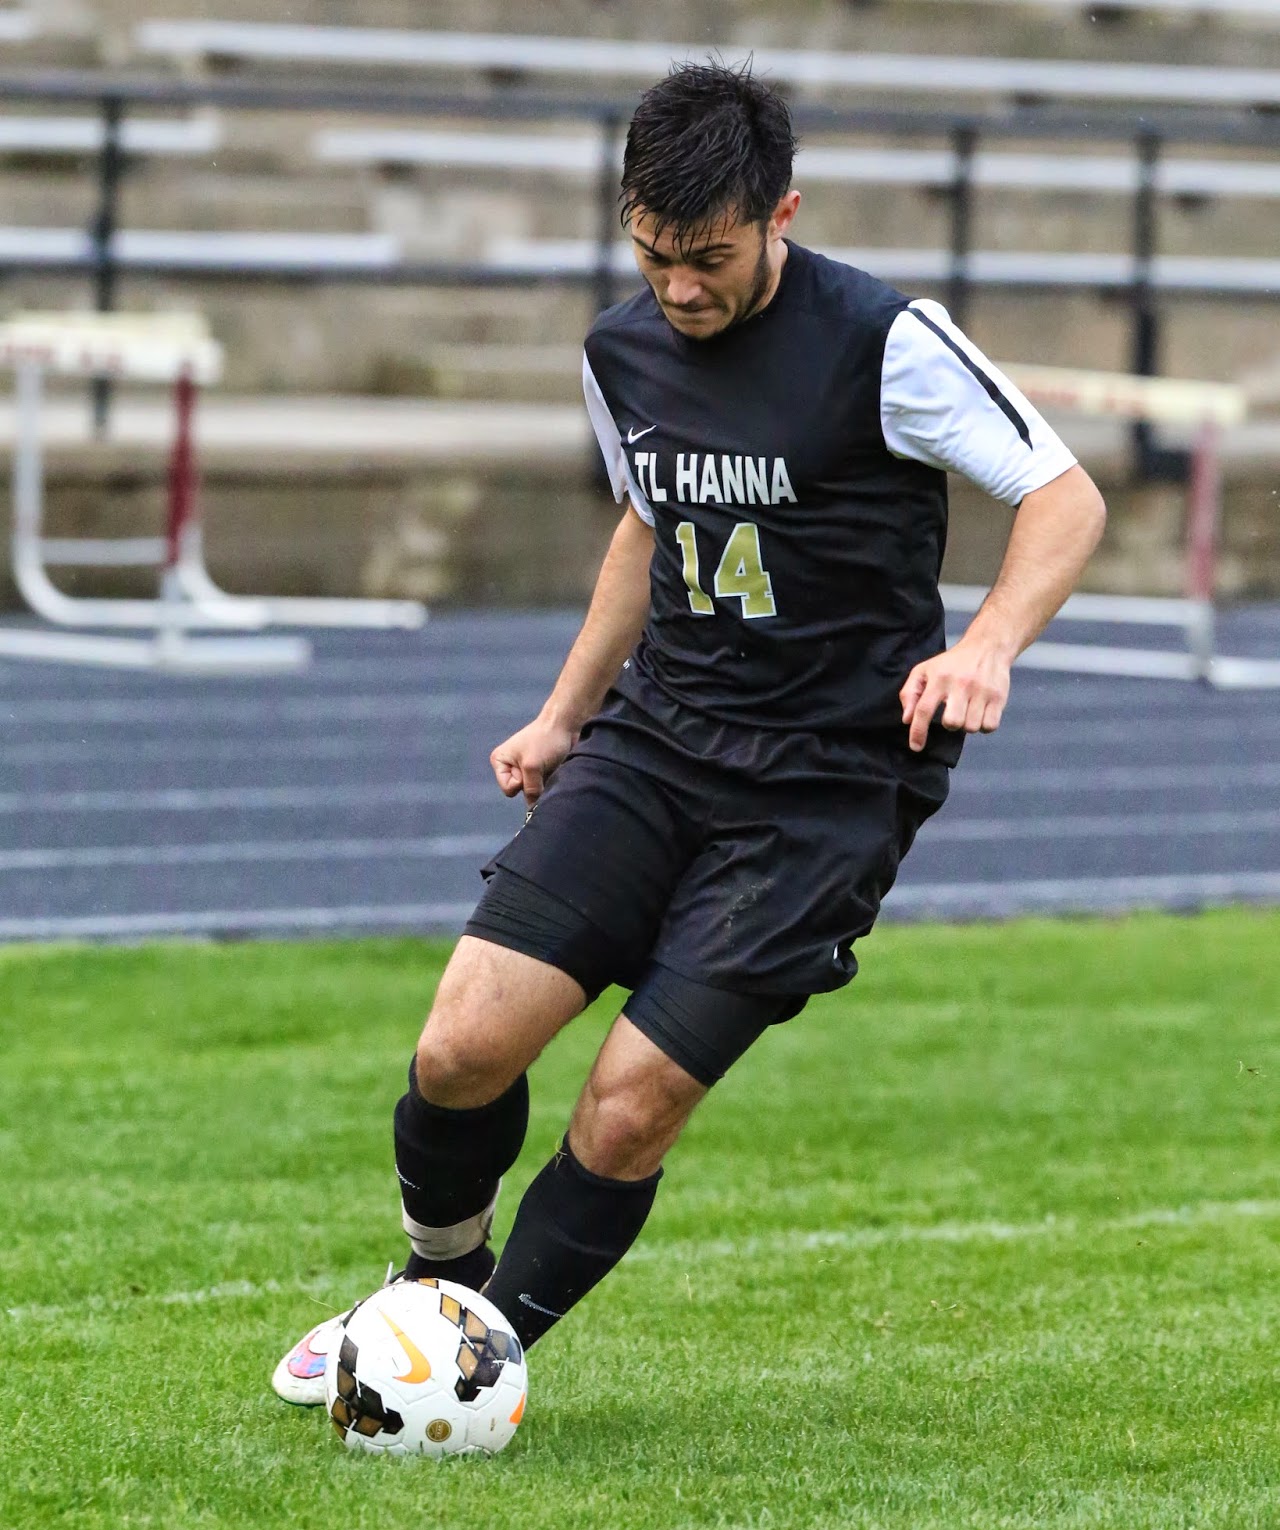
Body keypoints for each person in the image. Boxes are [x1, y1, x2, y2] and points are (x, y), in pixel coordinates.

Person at [272, 59, 1105, 1403]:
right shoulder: (619, 351)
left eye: (708, 258)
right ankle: (427, 1293)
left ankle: (467, 1367)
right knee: (460, 1047)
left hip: (822, 791)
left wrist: (986, 643)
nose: (678, 288)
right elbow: (648, 526)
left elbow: (1064, 497)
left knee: (628, 1105)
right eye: (653, 255)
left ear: (782, 215)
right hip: (658, 742)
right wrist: (562, 714)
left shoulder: (886, 341)